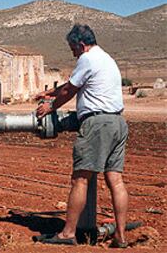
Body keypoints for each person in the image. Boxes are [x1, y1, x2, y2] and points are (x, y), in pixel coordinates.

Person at [35, 24, 129, 248]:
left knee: (80, 179)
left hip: (97, 124)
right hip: (118, 122)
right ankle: (121, 236)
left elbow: (69, 90)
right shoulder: (105, 58)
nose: (72, 53)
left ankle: (68, 233)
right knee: (115, 180)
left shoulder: (87, 59)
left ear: (81, 44)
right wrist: (49, 92)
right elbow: (72, 84)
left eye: (72, 48)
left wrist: (50, 106)